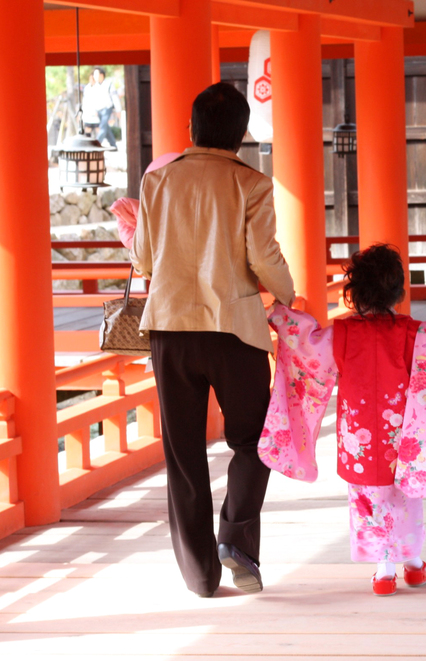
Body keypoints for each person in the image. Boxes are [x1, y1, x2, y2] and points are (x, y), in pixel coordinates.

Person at [130, 82, 295, 598]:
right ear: (241, 134)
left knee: (183, 453)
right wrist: (288, 297)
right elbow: (263, 258)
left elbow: (143, 260)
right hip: (235, 332)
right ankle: (237, 542)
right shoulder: (252, 184)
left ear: (191, 128)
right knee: (254, 441)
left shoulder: (158, 181)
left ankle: (201, 577)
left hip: (171, 330)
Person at [331, 244, 426, 596]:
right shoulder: (411, 333)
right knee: (406, 497)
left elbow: (305, 347)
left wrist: (281, 315)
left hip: (360, 441)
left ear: (355, 291)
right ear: (399, 290)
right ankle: (412, 566)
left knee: (369, 499)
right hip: (403, 436)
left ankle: (384, 573)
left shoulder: (343, 333)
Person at [81, 67, 121, 149]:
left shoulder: (109, 85)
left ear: (101, 75)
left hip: (107, 108)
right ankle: (113, 144)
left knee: (102, 127)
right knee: (105, 126)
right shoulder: (95, 86)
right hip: (98, 110)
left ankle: (97, 143)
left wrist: (118, 110)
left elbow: (115, 98)